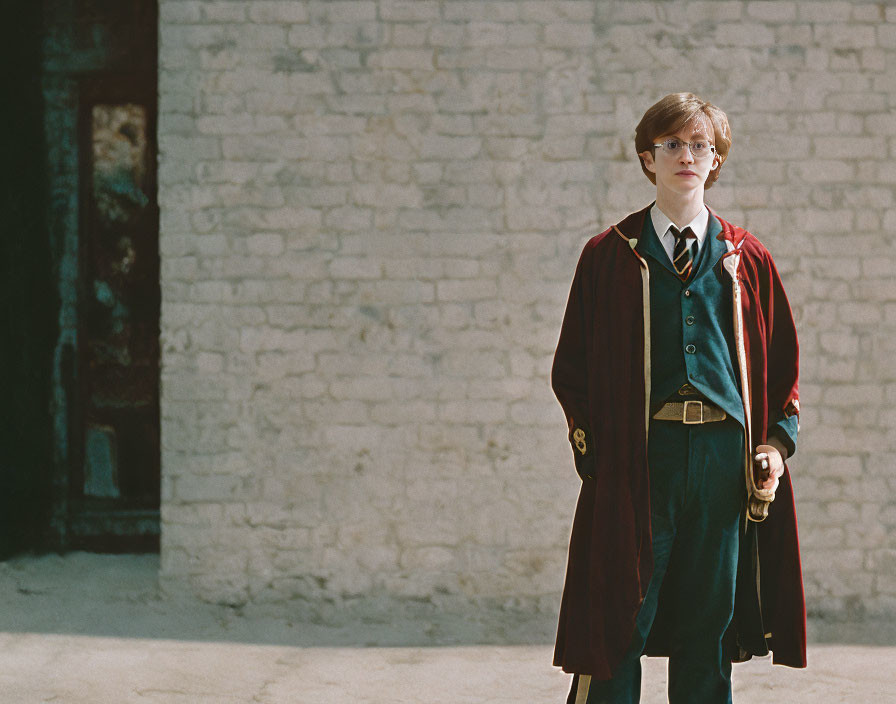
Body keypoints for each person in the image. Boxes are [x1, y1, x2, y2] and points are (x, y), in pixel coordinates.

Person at [550, 93, 806, 704]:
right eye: (673, 145)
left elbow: (782, 366)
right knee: (620, 621)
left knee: (708, 627)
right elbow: (573, 370)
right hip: (643, 459)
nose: (687, 156)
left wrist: (773, 442)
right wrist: (601, 459)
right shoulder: (608, 256)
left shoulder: (747, 259)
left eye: (700, 146)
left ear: (715, 161)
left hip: (722, 462)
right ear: (648, 158)